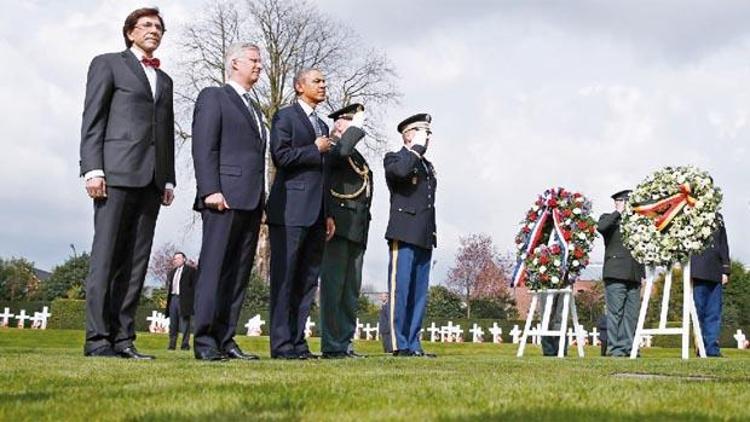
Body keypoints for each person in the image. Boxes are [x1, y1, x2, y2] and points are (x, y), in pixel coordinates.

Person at [79, 7, 175, 359]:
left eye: (159, 27)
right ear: (130, 32)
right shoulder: (107, 63)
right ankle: (97, 340)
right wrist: (92, 168)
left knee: (136, 263)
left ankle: (123, 339)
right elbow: (93, 117)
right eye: (147, 25)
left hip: (152, 180)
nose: (154, 30)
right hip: (115, 174)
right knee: (106, 258)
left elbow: (164, 132)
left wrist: (168, 178)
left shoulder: (164, 80)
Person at [190, 43, 267, 361]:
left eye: (261, 61)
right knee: (215, 269)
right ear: (234, 62)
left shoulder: (256, 108)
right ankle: (205, 341)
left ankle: (226, 338)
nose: (260, 66)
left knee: (237, 274)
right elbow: (204, 145)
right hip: (222, 198)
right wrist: (210, 189)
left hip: (251, 202)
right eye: (254, 60)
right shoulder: (214, 96)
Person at [266, 68, 335, 360]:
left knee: (307, 282)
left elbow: (325, 173)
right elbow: (280, 156)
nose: (323, 85)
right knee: (285, 279)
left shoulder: (322, 124)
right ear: (299, 86)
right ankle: (281, 345)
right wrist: (313, 148)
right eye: (316, 81)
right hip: (290, 211)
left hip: (317, 214)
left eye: (324, 81)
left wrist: (328, 213)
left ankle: (298, 343)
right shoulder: (285, 116)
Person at [383, 113, 437, 358]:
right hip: (404, 232)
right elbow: (402, 173)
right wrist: (414, 149)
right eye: (422, 131)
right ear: (408, 134)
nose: (427, 138)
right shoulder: (394, 158)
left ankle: (413, 342)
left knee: (418, 293)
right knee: (401, 290)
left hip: (424, 233)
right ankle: (398, 342)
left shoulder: (427, 165)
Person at [319, 104, 370, 359]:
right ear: (339, 124)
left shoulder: (356, 157)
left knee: (350, 292)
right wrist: (353, 129)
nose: (357, 128)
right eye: (351, 122)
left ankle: (345, 342)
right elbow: (341, 152)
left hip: (356, 230)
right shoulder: (332, 147)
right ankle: (331, 344)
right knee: (333, 288)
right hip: (338, 227)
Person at [597, 189, 645, 357]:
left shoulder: (638, 223)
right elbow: (601, 227)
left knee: (631, 314)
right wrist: (618, 211)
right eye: (624, 201)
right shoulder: (608, 218)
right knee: (615, 313)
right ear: (617, 201)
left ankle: (628, 347)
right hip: (615, 273)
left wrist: (643, 274)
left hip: (634, 273)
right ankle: (614, 349)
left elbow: (642, 249)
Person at [691, 214, 730, 357]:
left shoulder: (718, 217)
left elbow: (723, 243)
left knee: (714, 313)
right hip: (698, 269)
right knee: (699, 312)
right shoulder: (690, 213)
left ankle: (712, 348)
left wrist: (725, 269)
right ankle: (700, 347)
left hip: (715, 270)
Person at [165, 252, 196, 350]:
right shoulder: (172, 272)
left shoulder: (191, 271)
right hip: (173, 299)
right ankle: (172, 344)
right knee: (173, 324)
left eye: (178, 258)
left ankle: (185, 344)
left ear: (184, 259)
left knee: (185, 324)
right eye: (174, 259)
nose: (176, 260)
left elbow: (195, 286)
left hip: (184, 300)